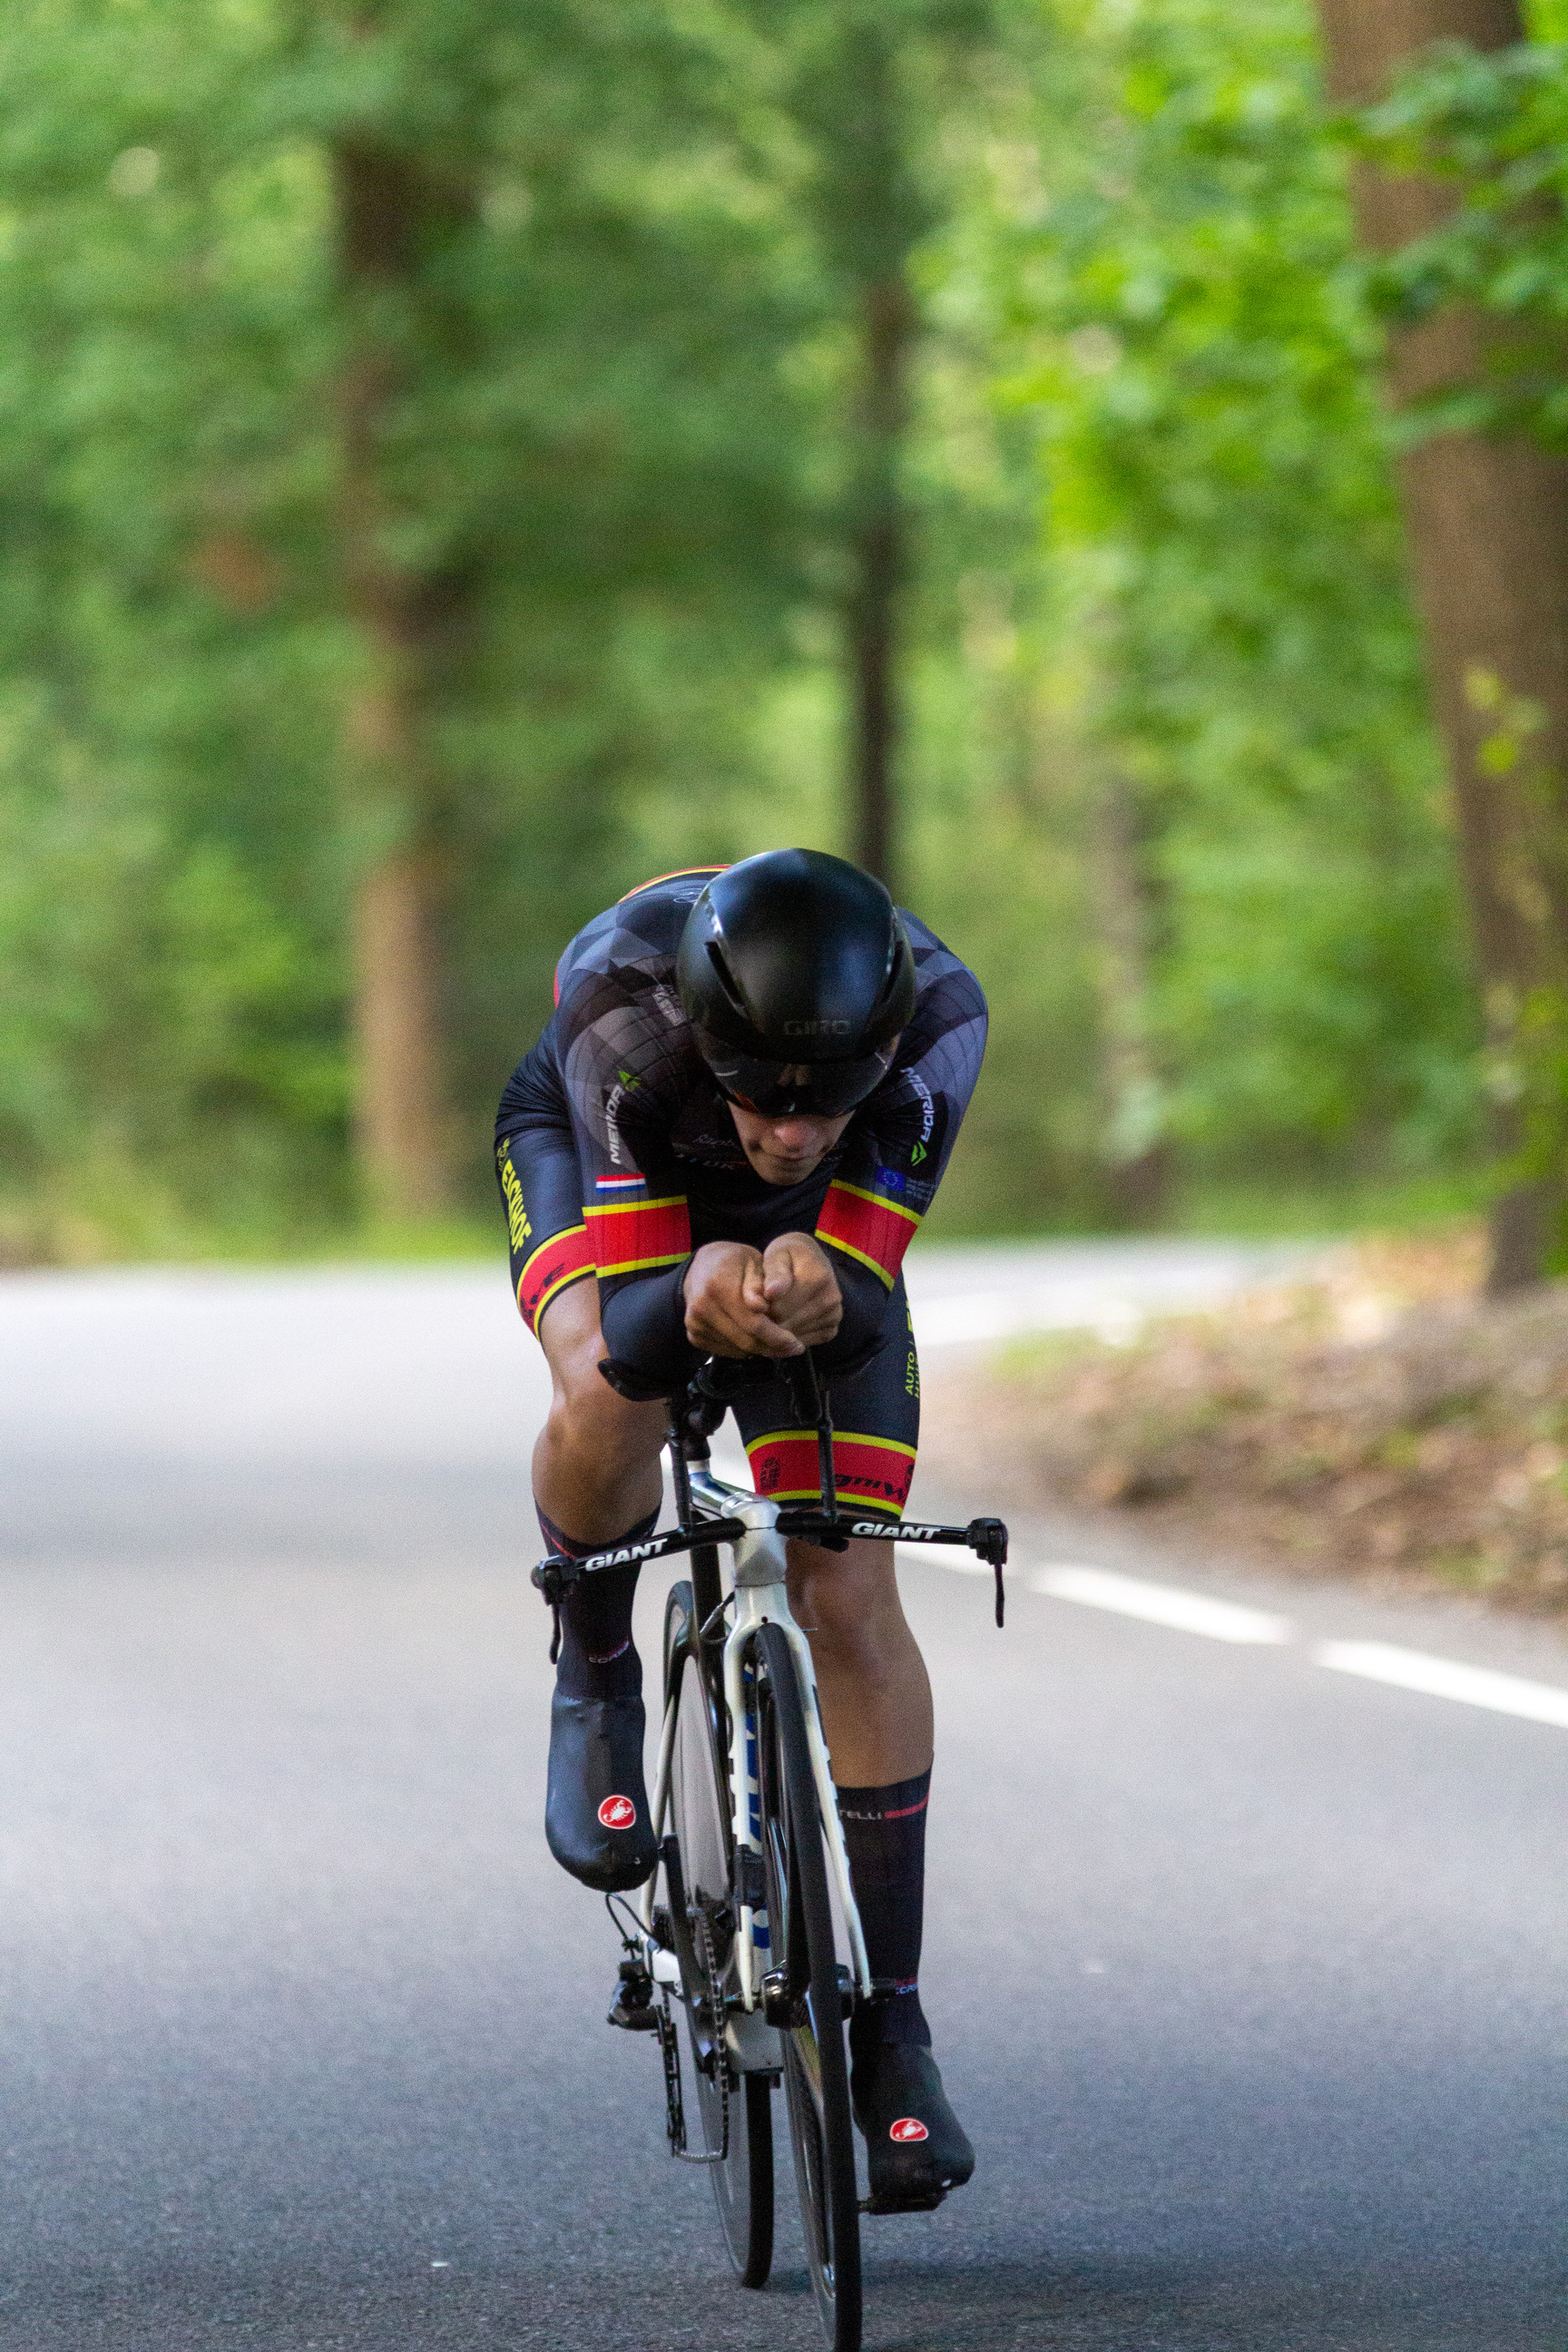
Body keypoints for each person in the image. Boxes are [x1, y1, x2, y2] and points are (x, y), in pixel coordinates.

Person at [495, 848, 987, 2210]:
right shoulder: (622, 1007)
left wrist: (814, 1263)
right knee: (610, 1379)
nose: (787, 1125)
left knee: (849, 1589)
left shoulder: (942, 1024)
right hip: (610, 1155)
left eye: (826, 1097)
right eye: (762, 1093)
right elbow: (655, 1311)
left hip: (806, 1241)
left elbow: (858, 1280)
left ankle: (892, 2022)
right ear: (708, 1039)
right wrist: (698, 1274)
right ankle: (596, 1665)